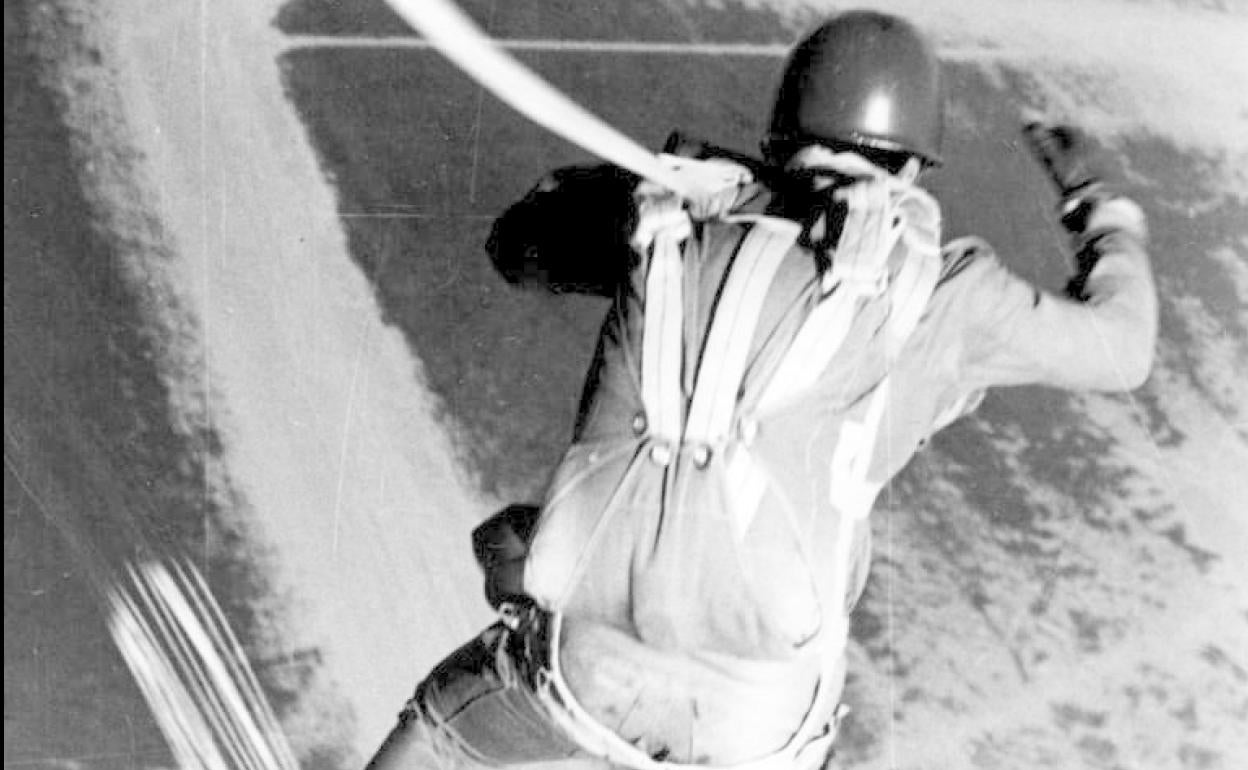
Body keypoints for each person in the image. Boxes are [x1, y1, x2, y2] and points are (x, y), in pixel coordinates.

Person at [366, 10, 1156, 770]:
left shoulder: (674, 215)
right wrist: (1104, 210)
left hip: (583, 675)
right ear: (914, 165)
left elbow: (517, 247)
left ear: (783, 133)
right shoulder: (947, 292)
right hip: (756, 723)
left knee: (445, 724)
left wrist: (632, 191)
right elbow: (1123, 350)